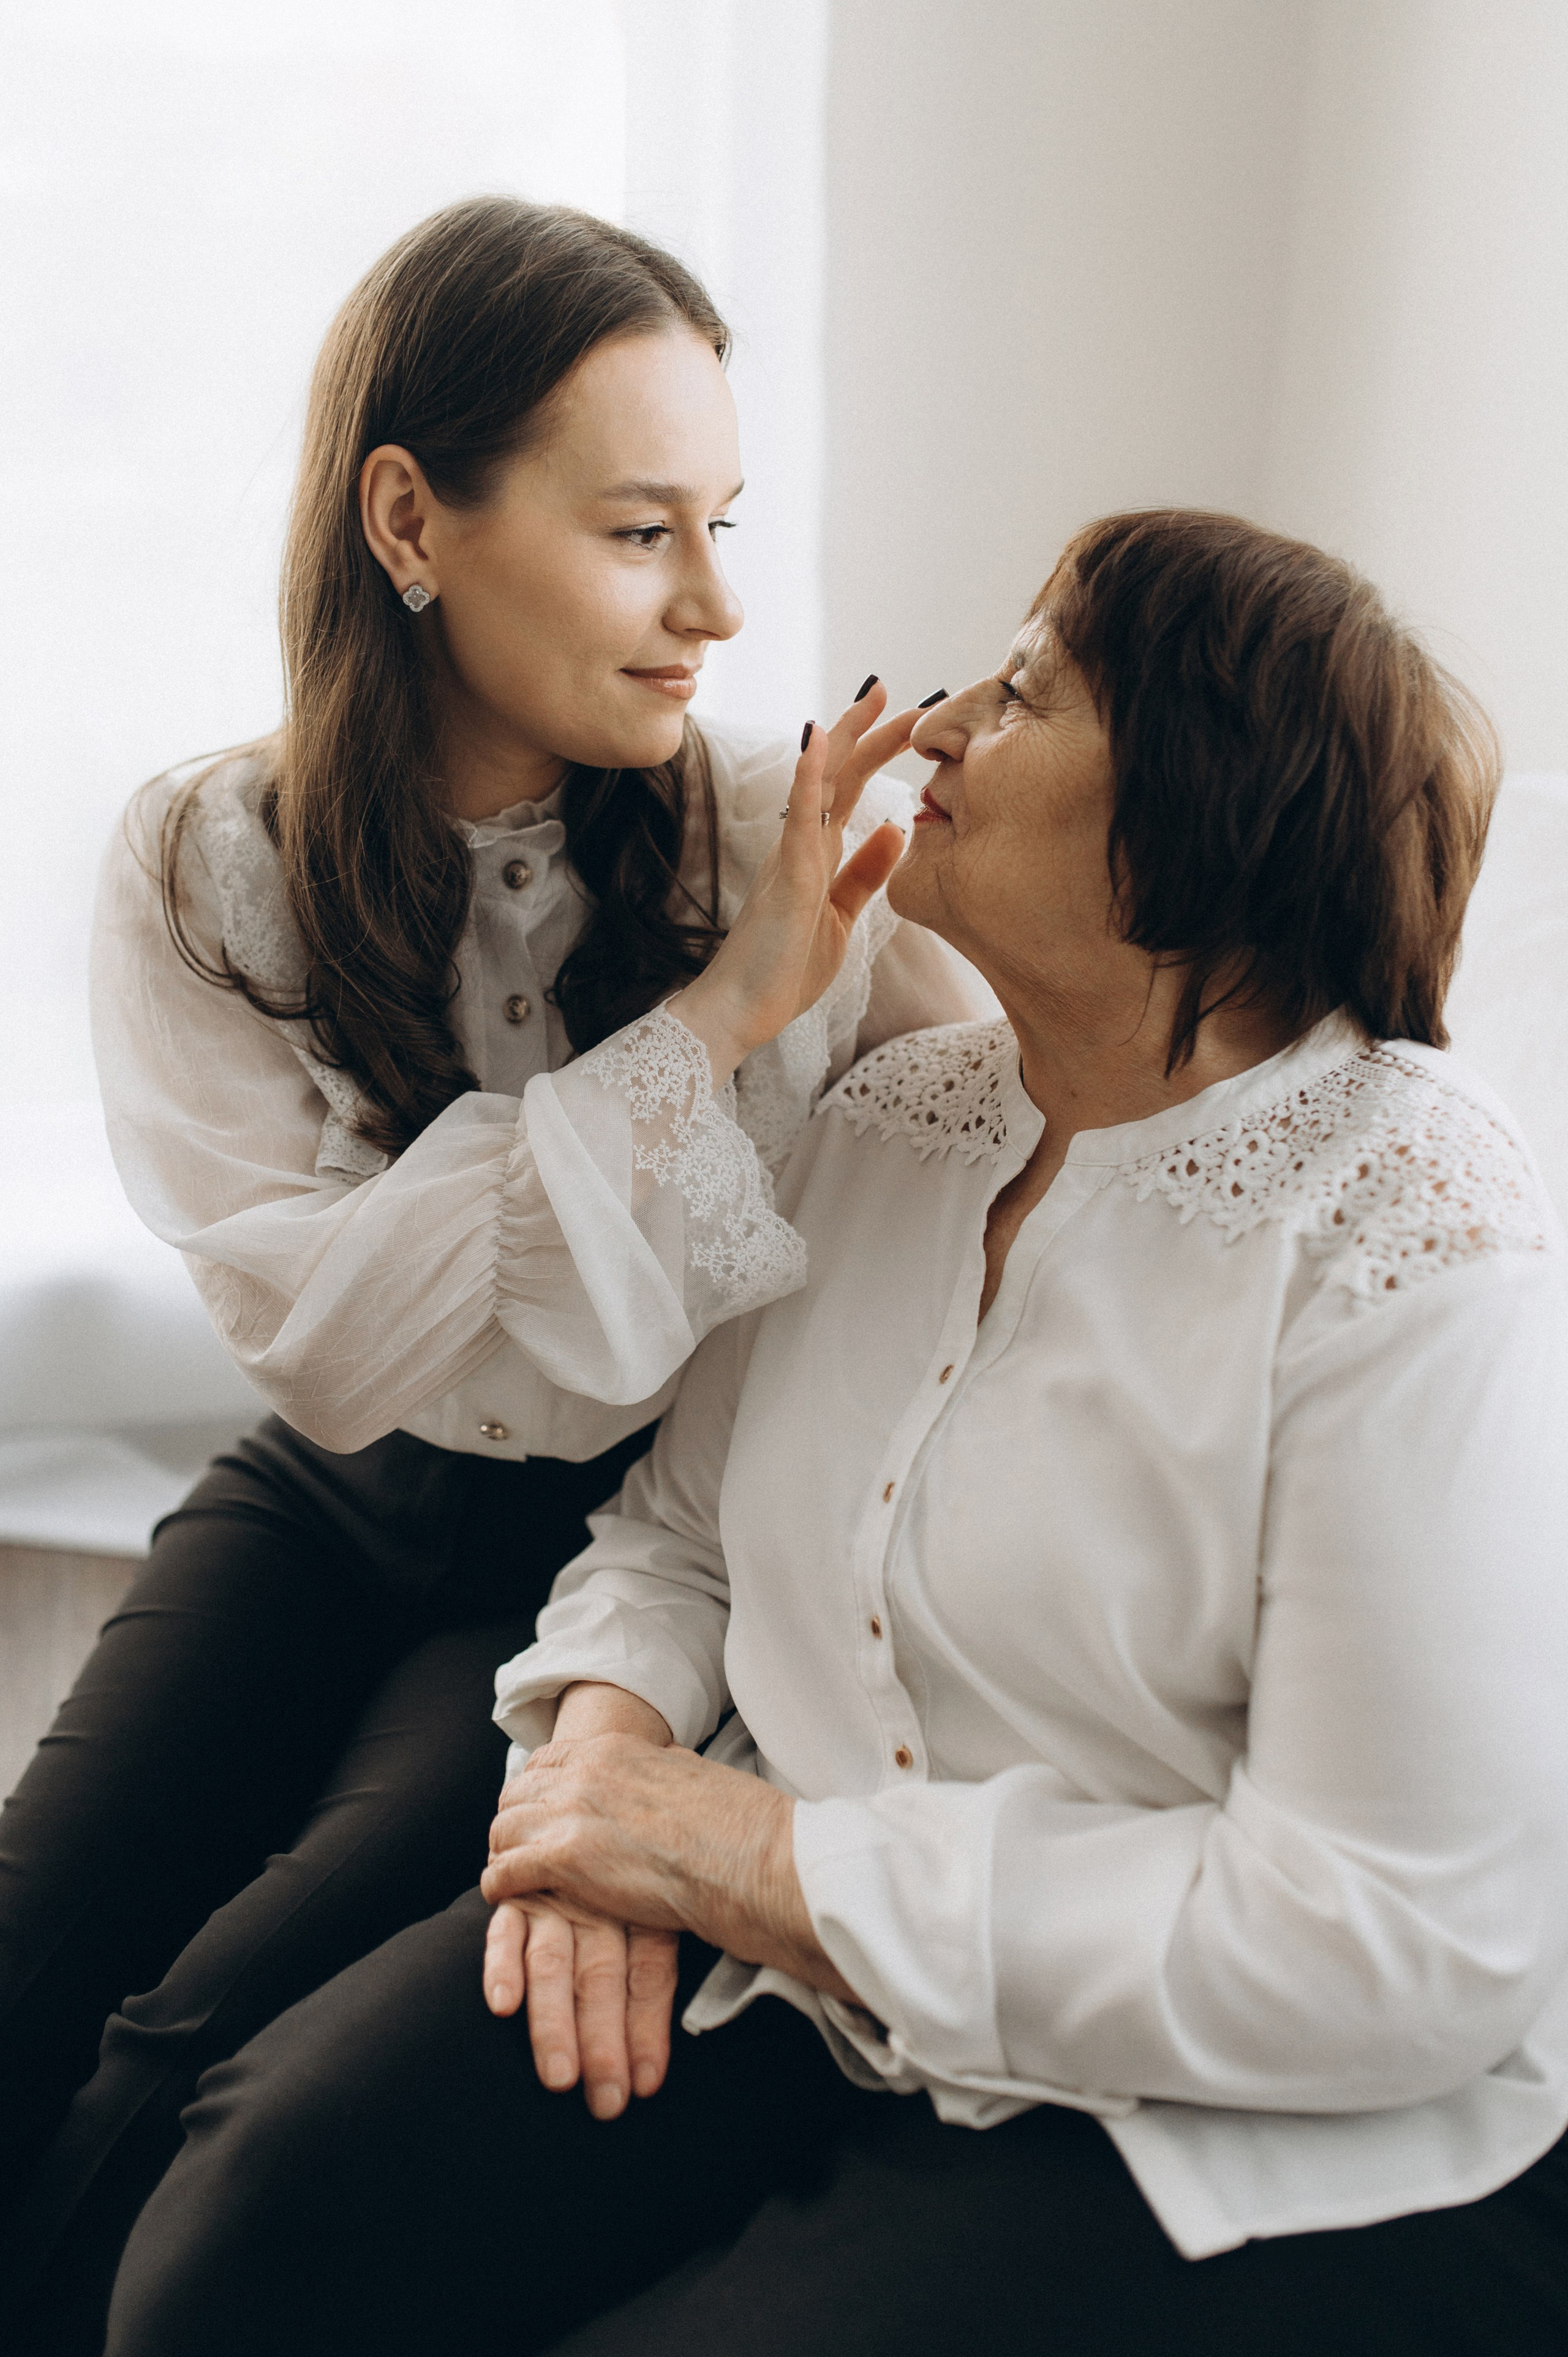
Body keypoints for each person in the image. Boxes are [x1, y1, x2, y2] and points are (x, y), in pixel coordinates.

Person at [104, 510, 1568, 2356]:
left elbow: (1388, 1944)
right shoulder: (902, 1113)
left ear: (1203, 807)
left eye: (1027, 691)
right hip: (785, 1970)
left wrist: (749, 1860)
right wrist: (600, 1790)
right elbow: (680, 1538)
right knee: (253, 2219)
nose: (940, 721)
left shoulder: (1418, 1223)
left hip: (1207, 2103)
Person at [0, 195, 985, 2348]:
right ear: (409, 519)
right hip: (337, 1488)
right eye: (645, 531)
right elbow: (340, 1351)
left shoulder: (765, 827)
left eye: (725, 522)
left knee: (207, 2034)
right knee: (28, 1936)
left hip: (605, 1558)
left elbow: (1009, 1135)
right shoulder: (211, 863)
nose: (718, 604)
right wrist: (716, 1023)